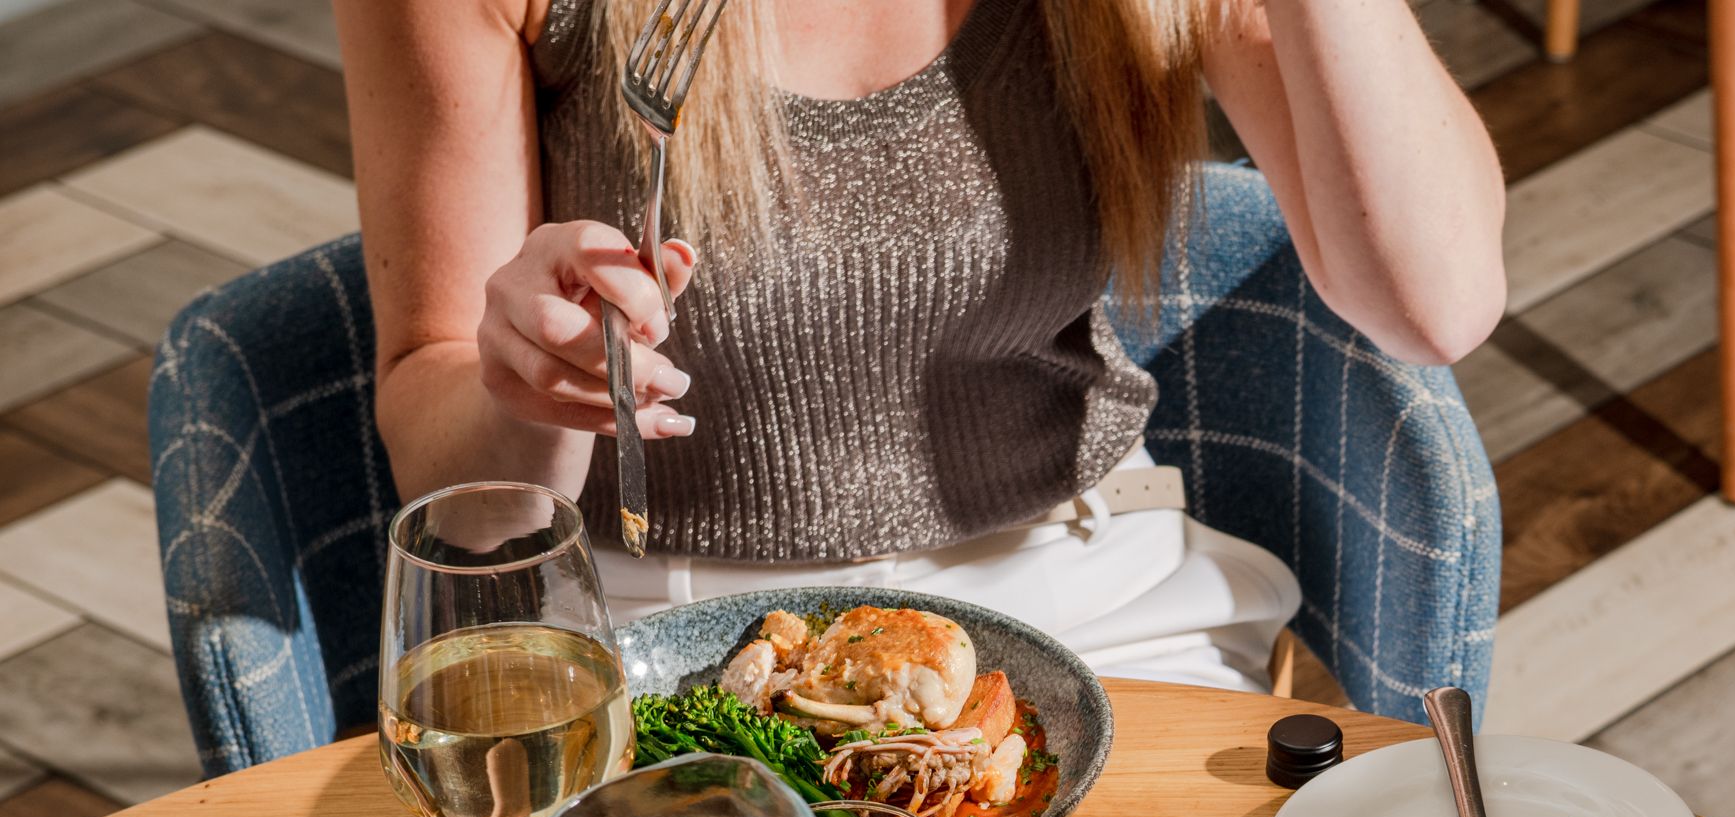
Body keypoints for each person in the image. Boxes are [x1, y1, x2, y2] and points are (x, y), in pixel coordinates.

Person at [335, 0, 1504, 691]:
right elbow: (465, 501)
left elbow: (1433, 302)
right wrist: (529, 386)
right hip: (662, 638)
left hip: (1086, 601)